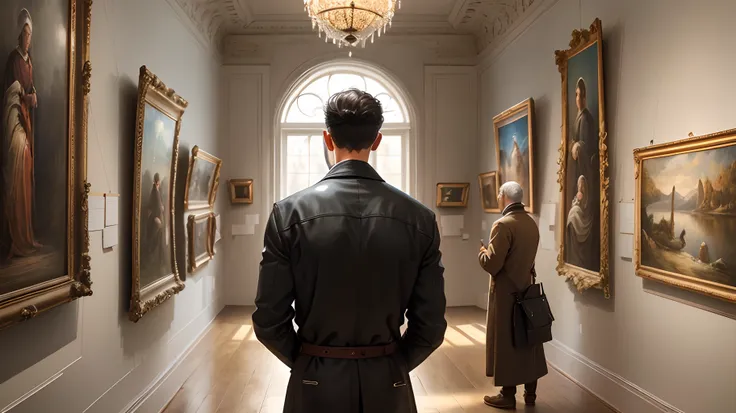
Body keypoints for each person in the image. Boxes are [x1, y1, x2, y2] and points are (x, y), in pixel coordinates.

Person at [253, 88, 447, 413]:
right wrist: (391, 363)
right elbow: (431, 327)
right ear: (377, 140)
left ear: (327, 139)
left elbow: (269, 321)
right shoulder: (419, 219)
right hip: (388, 380)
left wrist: (308, 360)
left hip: (314, 381)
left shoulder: (289, 214)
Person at [478, 181, 547, 410]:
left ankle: (507, 396)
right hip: (526, 292)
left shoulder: (502, 225)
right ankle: (530, 395)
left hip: (506, 296)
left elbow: (492, 265)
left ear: (503, 197)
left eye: (499, 195)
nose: (498, 198)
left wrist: (482, 253)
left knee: (506, 343)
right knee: (529, 341)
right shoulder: (531, 223)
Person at [1, 8, 42, 260]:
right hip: (15, 119)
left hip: (27, 120)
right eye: (24, 34)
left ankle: (26, 234)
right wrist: (26, 96)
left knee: (26, 170)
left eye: (30, 35)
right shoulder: (13, 60)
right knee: (18, 164)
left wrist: (33, 95)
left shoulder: (29, 62)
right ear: (19, 35)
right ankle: (15, 236)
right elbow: (12, 91)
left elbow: (31, 88)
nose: (27, 39)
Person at [567, 77, 599, 271]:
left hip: (585, 172)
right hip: (578, 171)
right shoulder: (578, 118)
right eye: (575, 95)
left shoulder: (586, 118)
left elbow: (588, 146)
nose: (577, 98)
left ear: (585, 96)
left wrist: (578, 145)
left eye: (579, 94)